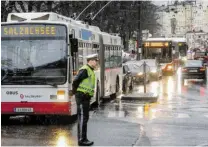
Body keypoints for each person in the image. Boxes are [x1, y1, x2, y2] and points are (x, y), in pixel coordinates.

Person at [72, 54, 98, 146]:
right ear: (90, 61)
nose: (96, 62)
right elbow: (75, 81)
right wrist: (75, 92)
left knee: (84, 118)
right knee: (82, 118)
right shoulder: (85, 70)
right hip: (82, 96)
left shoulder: (90, 70)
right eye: (95, 60)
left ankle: (84, 138)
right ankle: (81, 139)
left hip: (85, 97)